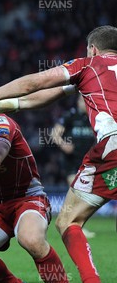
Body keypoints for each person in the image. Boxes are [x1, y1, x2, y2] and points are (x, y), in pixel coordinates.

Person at [0, 25, 117, 283]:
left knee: (68, 221)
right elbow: (44, 96)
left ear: (92, 49)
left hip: (112, 147)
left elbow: (34, 85)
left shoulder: (87, 64)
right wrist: (0, 105)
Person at [51, 95, 97, 238]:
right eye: (84, 101)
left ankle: (73, 223)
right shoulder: (70, 115)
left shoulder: (93, 117)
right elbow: (54, 134)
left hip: (88, 162)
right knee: (77, 191)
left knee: (83, 195)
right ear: (78, 101)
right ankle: (73, 225)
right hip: (71, 161)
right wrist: (64, 145)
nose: (86, 104)